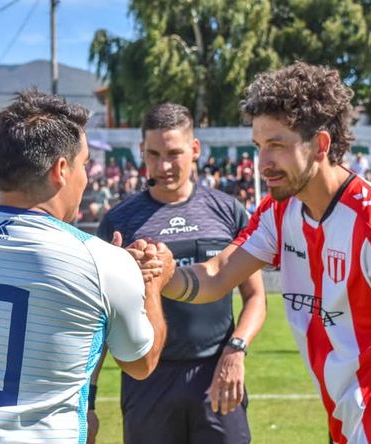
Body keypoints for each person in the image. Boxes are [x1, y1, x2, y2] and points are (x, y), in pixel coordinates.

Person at [128, 62, 371, 444]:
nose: (263, 164)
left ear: (320, 145)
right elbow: (217, 275)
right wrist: (164, 273)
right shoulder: (282, 211)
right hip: (347, 418)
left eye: (277, 146)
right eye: (260, 147)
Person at [0, 90, 172, 443]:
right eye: (84, 164)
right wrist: (151, 284)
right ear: (61, 170)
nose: (87, 177)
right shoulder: (101, 262)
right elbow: (141, 363)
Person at [94, 103, 266, 444]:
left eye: (174, 153)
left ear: (195, 149)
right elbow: (102, 315)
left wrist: (236, 350)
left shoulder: (228, 211)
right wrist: (89, 395)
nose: (165, 165)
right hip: (147, 380)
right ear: (142, 152)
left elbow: (256, 296)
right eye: (154, 154)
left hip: (216, 372)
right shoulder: (119, 222)